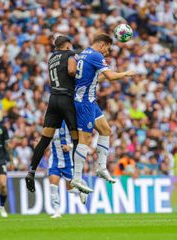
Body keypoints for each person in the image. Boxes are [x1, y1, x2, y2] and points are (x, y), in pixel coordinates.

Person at [71, 34, 136, 193]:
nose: (107, 52)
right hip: (84, 102)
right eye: (107, 48)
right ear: (102, 44)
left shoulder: (84, 53)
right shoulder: (95, 55)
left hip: (90, 101)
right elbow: (111, 76)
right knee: (85, 139)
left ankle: (101, 168)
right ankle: (77, 178)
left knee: (106, 130)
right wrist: (126, 73)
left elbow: (91, 78)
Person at [25, 36, 78, 193]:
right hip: (66, 99)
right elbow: (71, 70)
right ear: (67, 45)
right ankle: (77, 176)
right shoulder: (69, 55)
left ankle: (31, 171)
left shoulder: (51, 58)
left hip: (53, 100)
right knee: (77, 139)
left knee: (44, 140)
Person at [48, 121, 88, 218]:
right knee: (53, 186)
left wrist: (70, 146)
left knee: (70, 189)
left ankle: (81, 190)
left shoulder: (70, 123)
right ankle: (56, 211)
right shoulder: (50, 124)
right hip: (54, 160)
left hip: (68, 161)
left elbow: (81, 140)